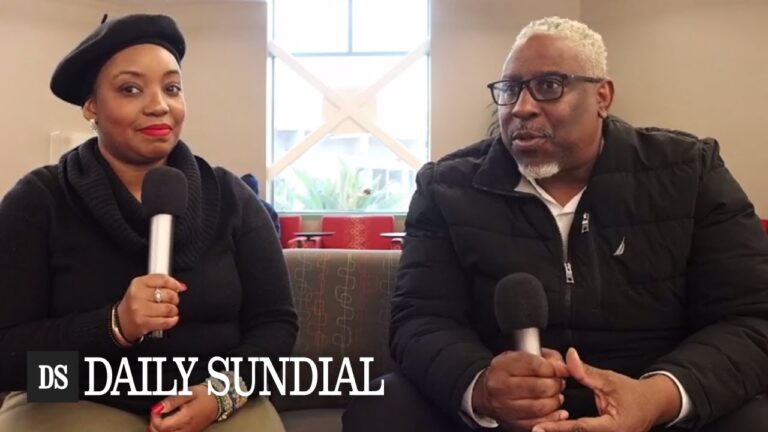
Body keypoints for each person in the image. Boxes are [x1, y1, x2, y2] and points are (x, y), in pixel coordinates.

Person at [343, 16, 768, 432]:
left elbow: (750, 319)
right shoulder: (446, 187)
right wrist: (481, 386)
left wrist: (658, 397)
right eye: (510, 90)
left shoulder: (690, 173)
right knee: (382, 407)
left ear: (602, 97)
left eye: (548, 86)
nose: (521, 108)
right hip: (502, 411)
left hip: (652, 398)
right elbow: (420, 319)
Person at [0, 13, 297, 432]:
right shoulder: (39, 200)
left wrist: (221, 394)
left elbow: (276, 324)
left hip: (212, 397)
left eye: (172, 88)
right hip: (74, 394)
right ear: (91, 106)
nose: (159, 105)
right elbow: (7, 352)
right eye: (130, 89)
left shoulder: (232, 198)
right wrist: (114, 325)